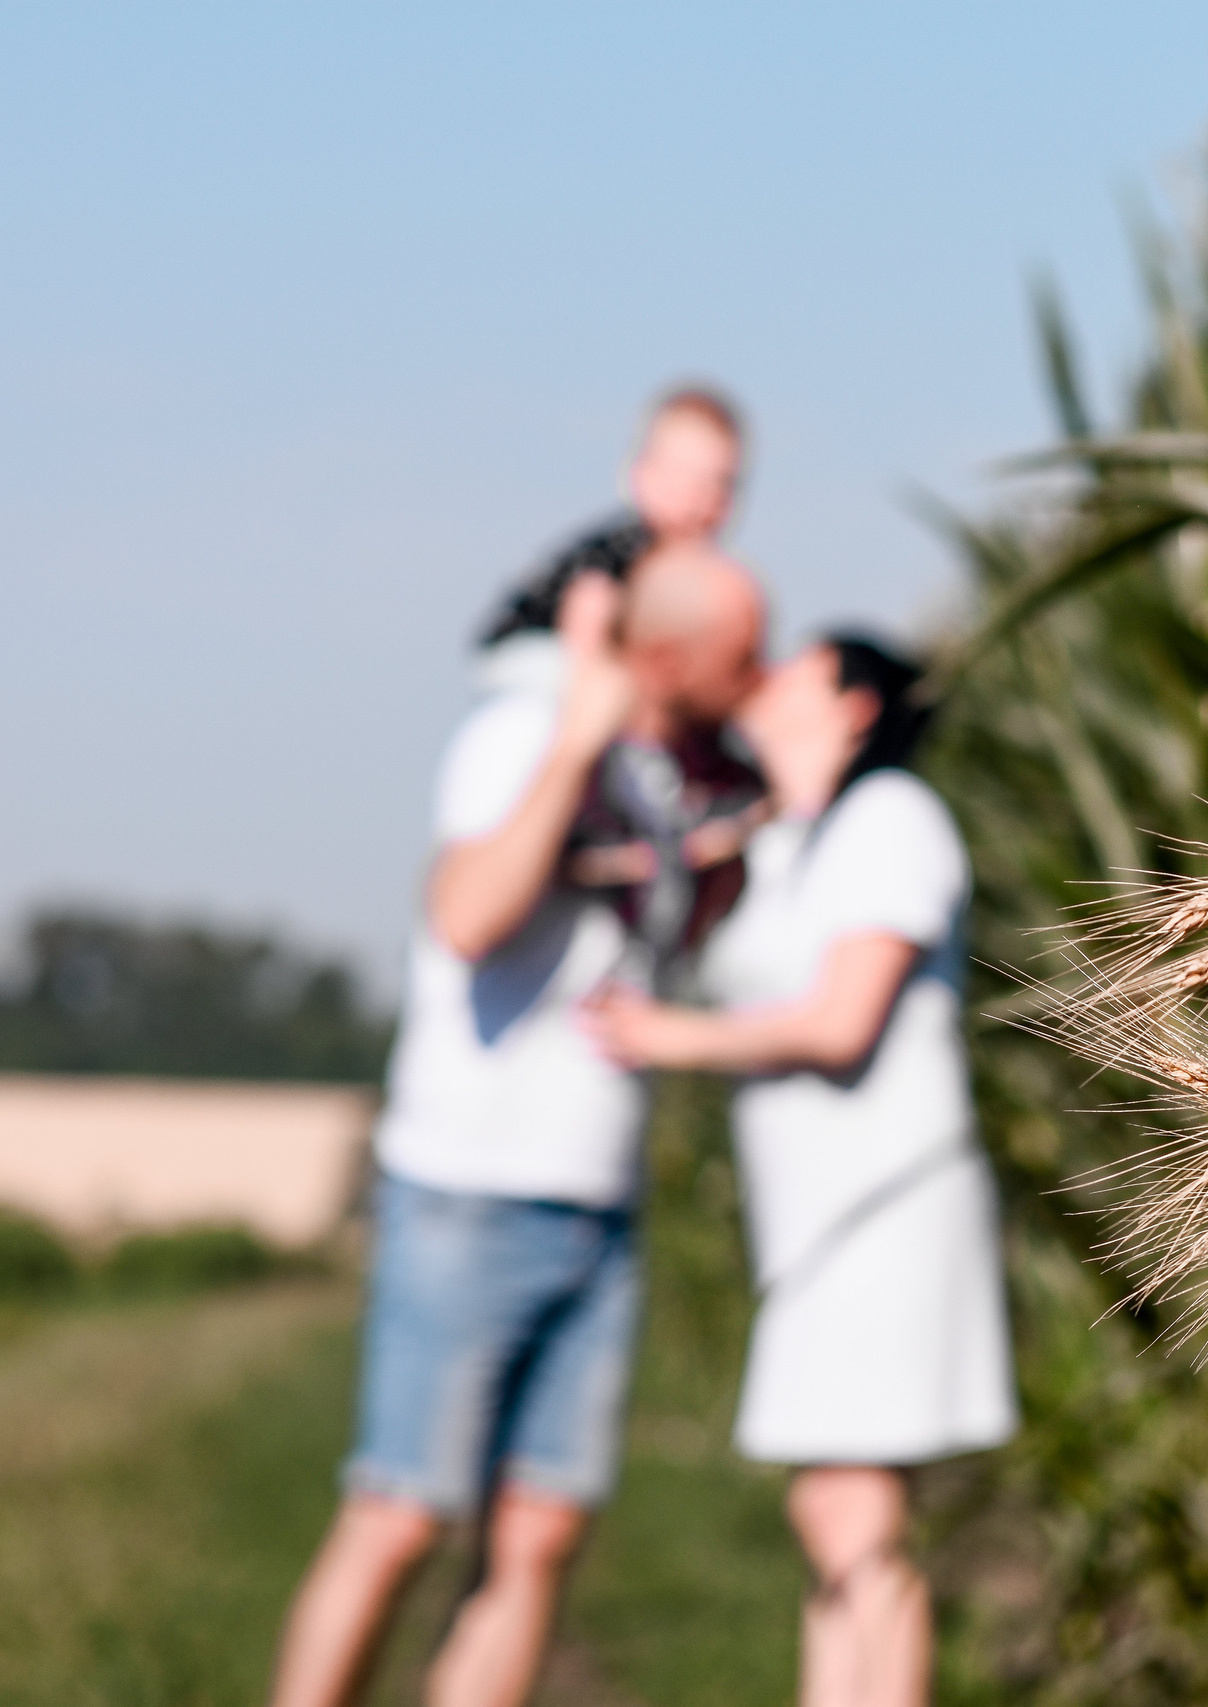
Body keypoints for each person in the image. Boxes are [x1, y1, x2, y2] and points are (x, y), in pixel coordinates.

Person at [268, 545, 768, 1707]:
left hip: (601, 1197)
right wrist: (574, 739)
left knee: (538, 1536)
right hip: (468, 1188)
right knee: (398, 1517)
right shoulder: (519, 738)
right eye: (741, 656)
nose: (758, 676)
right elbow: (466, 914)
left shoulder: (667, 784)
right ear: (666, 656)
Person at [583, 634, 1016, 1707]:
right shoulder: (790, 840)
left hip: (885, 1206)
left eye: (796, 667)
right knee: (835, 1517)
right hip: (819, 1220)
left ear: (855, 706)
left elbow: (840, 1021)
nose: (766, 676)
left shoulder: (894, 822)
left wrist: (667, 1037)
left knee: (852, 1519)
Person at [478, 385, 746, 651]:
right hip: (526, 650)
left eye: (719, 485)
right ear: (640, 477)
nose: (698, 503)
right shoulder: (627, 551)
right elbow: (588, 612)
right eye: (682, 483)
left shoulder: (690, 575)